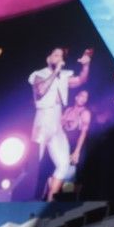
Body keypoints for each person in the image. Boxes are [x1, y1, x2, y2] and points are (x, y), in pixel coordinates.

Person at [30, 48, 92, 200]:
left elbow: (81, 80)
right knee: (33, 164)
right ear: (48, 58)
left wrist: (86, 66)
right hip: (43, 118)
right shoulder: (39, 74)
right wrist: (56, 71)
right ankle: (26, 197)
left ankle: (51, 199)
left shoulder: (64, 76)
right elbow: (41, 90)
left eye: (61, 56)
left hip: (56, 122)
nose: (59, 58)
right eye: (56, 55)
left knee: (64, 165)